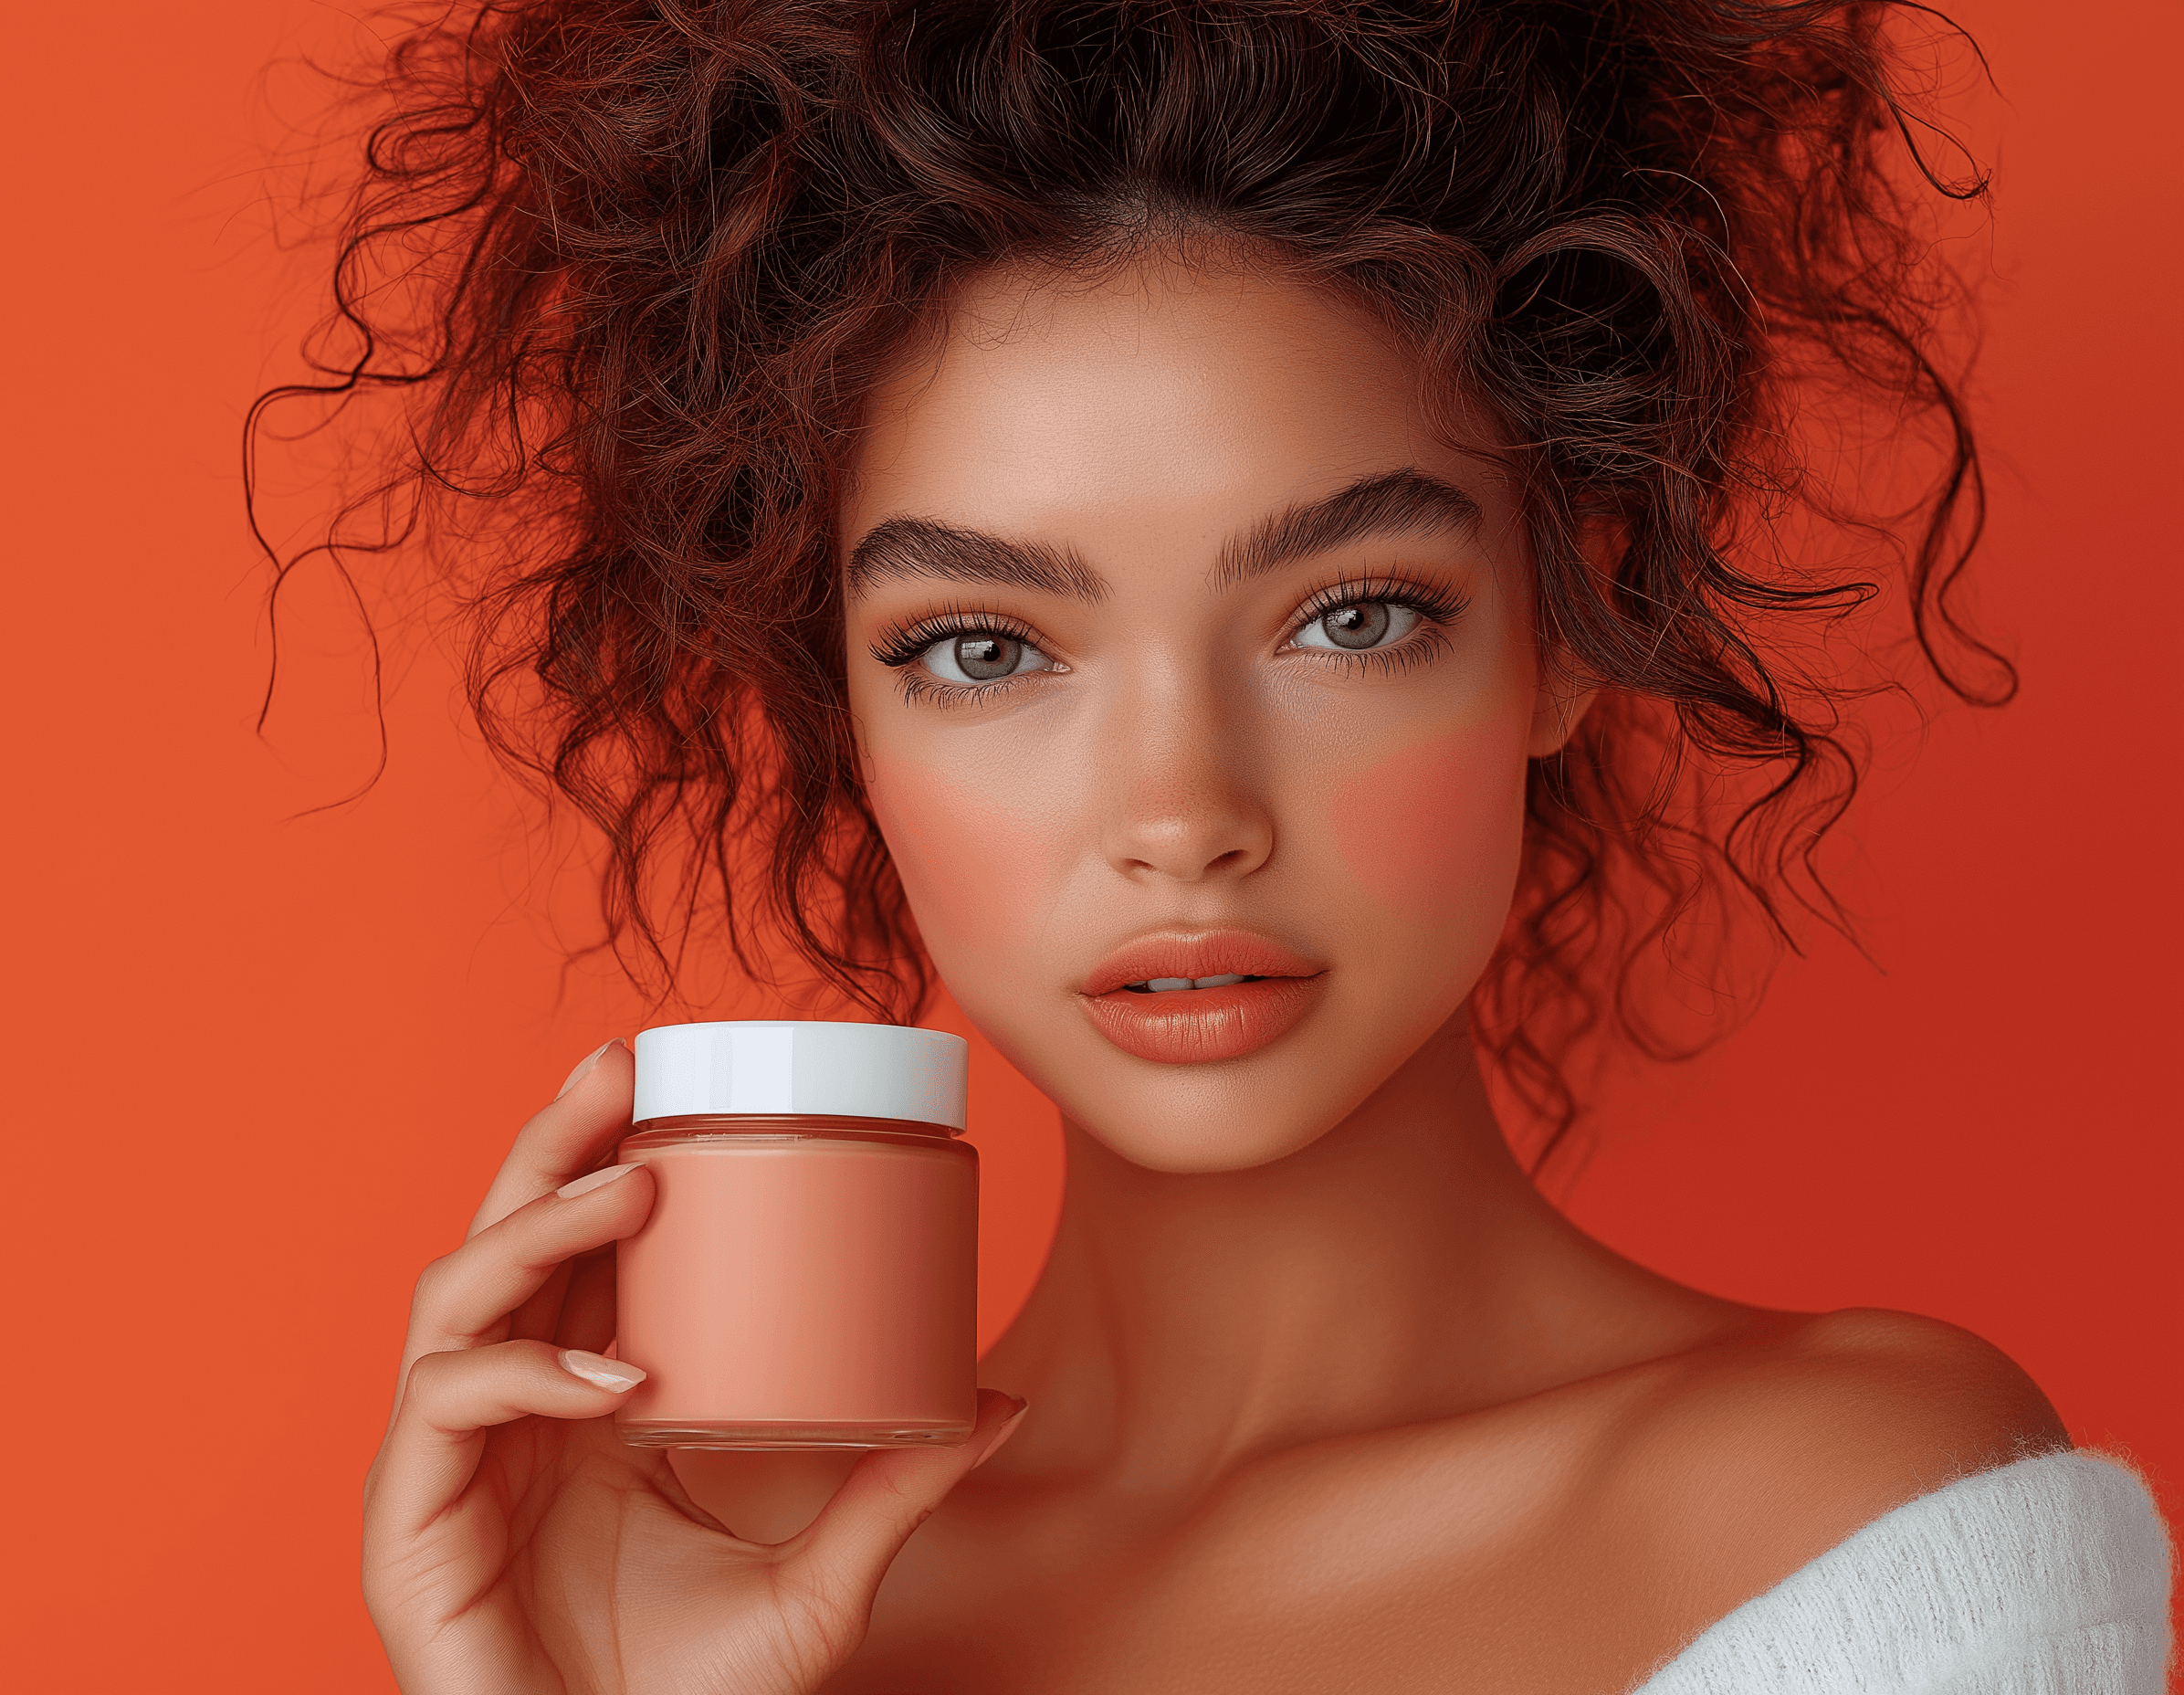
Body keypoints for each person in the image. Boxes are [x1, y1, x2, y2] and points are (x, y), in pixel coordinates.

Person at [271, 2, 2172, 1689]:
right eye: (986, 648)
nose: (1179, 815)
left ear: (1566, 620)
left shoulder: (1848, 1524)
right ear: (841, 704)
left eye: (1346, 614)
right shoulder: (712, 1583)